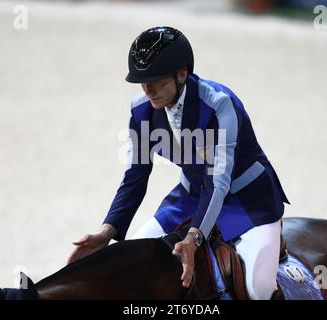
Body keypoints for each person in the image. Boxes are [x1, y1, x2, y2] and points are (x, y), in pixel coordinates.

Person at [67, 26, 290, 300]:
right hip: (191, 198)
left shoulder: (219, 105)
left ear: (182, 74)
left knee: (260, 289)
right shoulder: (141, 112)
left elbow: (217, 182)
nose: (148, 89)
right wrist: (107, 231)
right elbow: (135, 178)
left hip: (249, 203)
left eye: (156, 80)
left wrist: (194, 238)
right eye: (142, 81)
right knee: (132, 265)